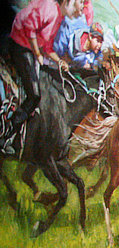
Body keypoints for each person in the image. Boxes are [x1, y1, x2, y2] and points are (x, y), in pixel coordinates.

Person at [4, 0, 76, 154]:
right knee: (35, 95)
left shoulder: (59, 18)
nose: (79, 6)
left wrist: (60, 61)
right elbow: (30, 27)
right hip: (20, 45)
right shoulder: (49, 8)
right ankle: (7, 134)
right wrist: (37, 53)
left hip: (29, 48)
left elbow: (48, 47)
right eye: (76, 2)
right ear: (65, 3)